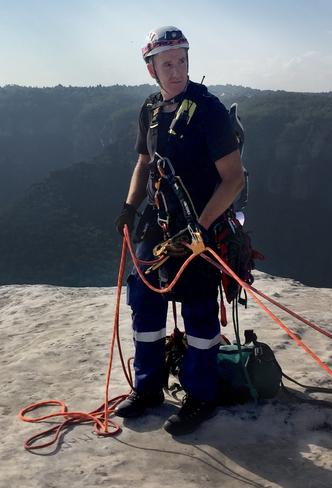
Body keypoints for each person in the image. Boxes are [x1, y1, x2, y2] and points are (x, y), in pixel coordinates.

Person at [114, 26, 245, 436]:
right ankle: (148, 388)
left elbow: (233, 179)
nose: (177, 71)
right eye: (167, 63)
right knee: (146, 305)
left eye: (182, 61)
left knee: (200, 313)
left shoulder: (209, 111)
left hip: (200, 226)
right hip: (159, 224)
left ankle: (201, 395)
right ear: (151, 69)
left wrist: (200, 229)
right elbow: (142, 163)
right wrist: (129, 206)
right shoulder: (151, 110)